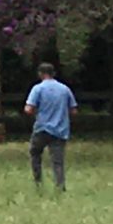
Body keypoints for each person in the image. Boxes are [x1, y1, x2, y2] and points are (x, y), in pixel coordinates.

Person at [23, 61, 77, 193]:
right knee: (58, 161)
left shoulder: (38, 89)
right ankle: (60, 185)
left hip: (42, 128)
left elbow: (28, 109)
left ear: (40, 74)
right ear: (53, 73)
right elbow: (74, 110)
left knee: (35, 153)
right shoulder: (64, 89)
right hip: (60, 130)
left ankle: (38, 181)